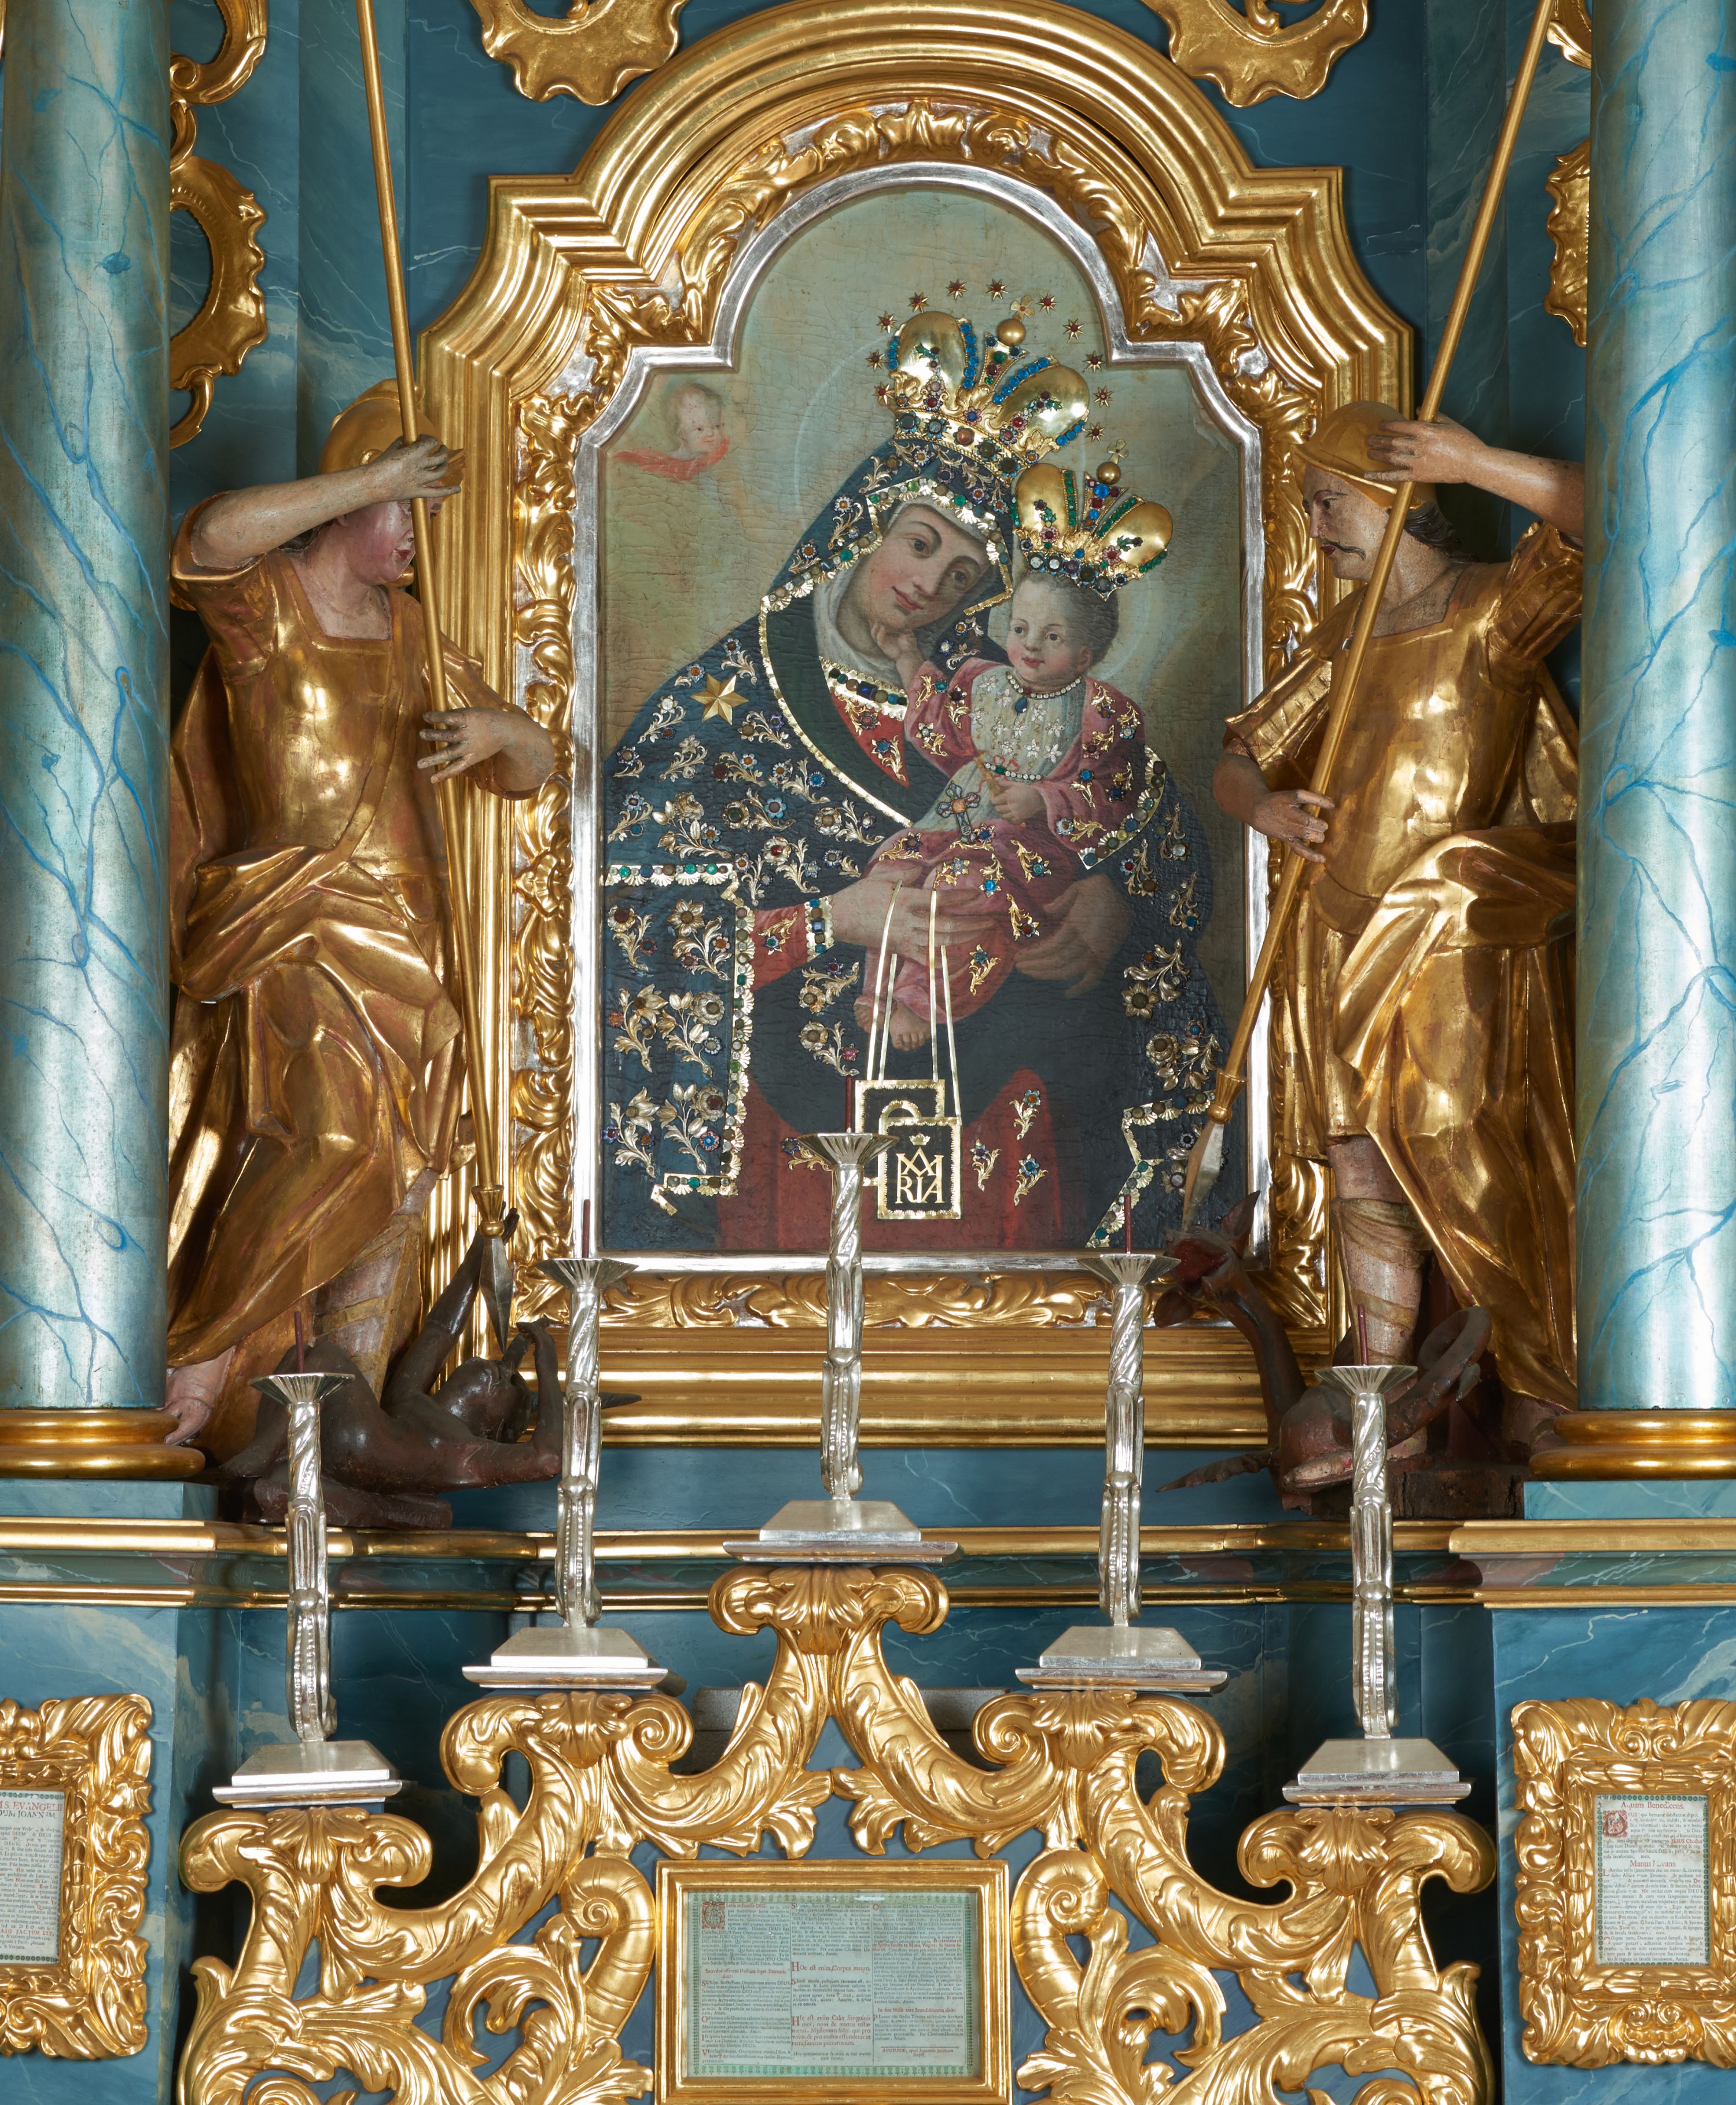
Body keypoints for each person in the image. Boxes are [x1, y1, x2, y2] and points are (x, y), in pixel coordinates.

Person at [602, 303, 1224, 1252]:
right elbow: (627, 913)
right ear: (865, 523)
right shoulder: (725, 700)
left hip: (1009, 1105)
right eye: (921, 543)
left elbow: (1148, 826)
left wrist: (1113, 903)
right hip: (794, 1119)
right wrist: (828, 921)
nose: (931, 586)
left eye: (966, 576)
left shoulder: (1017, 690)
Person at [163, 384, 559, 1457]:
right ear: (350, 498)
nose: (419, 539)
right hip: (299, 921)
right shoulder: (271, 607)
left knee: (405, 1174)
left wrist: (500, 733)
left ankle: (343, 1412)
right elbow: (204, 540)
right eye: (405, 511)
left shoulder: (415, 634)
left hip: (411, 941)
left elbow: (536, 767)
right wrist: (375, 476)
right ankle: (198, 1365)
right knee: (331, 1140)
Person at [1210, 403, 1581, 1443]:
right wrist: (1265, 809)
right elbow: (1241, 756)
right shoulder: (1346, 636)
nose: (1317, 525)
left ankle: (1540, 1379)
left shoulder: (1490, 609)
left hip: (1448, 928)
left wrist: (1473, 460)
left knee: (1455, 1139)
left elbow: (1608, 517)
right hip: (1337, 923)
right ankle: (1383, 1397)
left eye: (1330, 501)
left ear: (1395, 498)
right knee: (1362, 1158)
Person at [860, 452, 1171, 1046]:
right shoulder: (983, 680)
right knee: (894, 868)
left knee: (957, 885)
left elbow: (1115, 792)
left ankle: (923, 1002)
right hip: (954, 819)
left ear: (1085, 656)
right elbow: (941, 729)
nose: (1030, 647)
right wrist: (906, 660)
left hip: (1023, 848)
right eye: (1021, 629)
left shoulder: (1101, 712)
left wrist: (1045, 799)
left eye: (1052, 637)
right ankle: (878, 992)